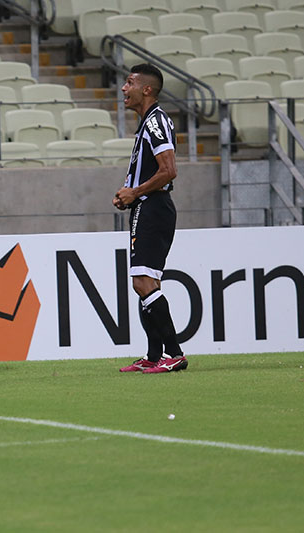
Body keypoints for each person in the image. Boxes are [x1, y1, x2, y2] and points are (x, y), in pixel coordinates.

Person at [113, 63, 188, 374]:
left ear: (146, 89)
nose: (123, 89)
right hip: (147, 205)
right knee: (144, 283)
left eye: (129, 83)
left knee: (144, 282)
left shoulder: (156, 121)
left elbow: (169, 171)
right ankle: (154, 355)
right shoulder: (148, 122)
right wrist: (129, 193)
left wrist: (136, 192)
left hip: (153, 206)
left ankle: (174, 354)